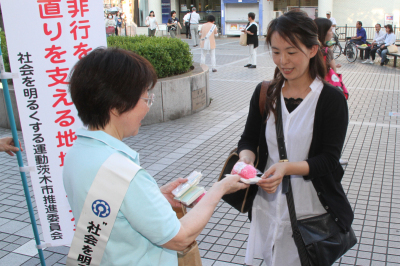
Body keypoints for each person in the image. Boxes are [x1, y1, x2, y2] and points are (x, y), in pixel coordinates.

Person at [63, 47, 248, 265]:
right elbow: (181, 237)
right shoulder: (124, 173)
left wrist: (155, 197)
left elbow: (115, 207)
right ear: (116, 106)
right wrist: (220, 188)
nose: (148, 107)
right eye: (145, 99)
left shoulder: (78, 153)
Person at [239, 10, 353, 265]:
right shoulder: (265, 92)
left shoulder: (330, 100)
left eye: (291, 52)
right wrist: (246, 160)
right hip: (268, 208)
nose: (283, 61)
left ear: (313, 50)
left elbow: (329, 160)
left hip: (310, 215)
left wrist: (286, 168)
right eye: (276, 51)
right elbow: (248, 140)